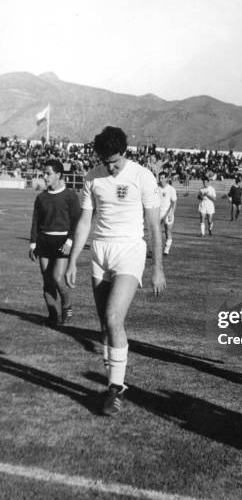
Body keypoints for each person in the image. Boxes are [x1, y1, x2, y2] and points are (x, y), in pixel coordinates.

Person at [65, 126, 165, 416]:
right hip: (100, 253)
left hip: (129, 251)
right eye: (105, 161)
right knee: (104, 327)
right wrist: (72, 261)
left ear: (124, 152)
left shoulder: (142, 176)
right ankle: (113, 381)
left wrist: (157, 267)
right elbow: (85, 222)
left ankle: (114, 390)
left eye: (115, 161)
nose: (110, 167)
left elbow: (153, 225)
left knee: (112, 317)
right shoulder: (92, 178)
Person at [29, 159, 81, 326]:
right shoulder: (41, 197)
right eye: (44, 173)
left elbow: (76, 221)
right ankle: (53, 316)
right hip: (44, 241)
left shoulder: (70, 195)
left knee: (58, 278)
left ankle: (67, 306)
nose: (44, 176)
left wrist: (70, 241)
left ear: (58, 175)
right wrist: (32, 244)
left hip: (62, 241)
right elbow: (35, 221)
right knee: (47, 281)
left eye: (48, 173)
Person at [158, 171, 177, 255]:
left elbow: (174, 203)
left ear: (166, 178)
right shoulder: (156, 188)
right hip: (158, 213)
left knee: (167, 232)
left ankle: (166, 250)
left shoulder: (171, 189)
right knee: (156, 232)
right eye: (159, 178)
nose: (160, 180)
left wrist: (171, 213)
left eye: (162, 178)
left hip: (168, 213)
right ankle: (155, 250)